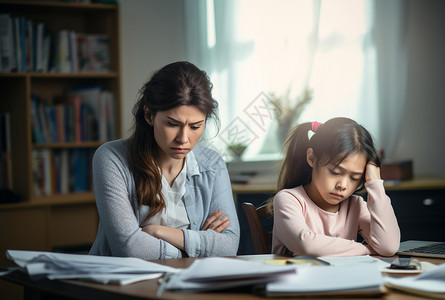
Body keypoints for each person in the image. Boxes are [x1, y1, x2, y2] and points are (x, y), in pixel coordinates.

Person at [89, 61, 240, 259]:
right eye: (172, 124)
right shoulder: (111, 159)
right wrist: (194, 247)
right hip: (123, 284)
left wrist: (157, 232)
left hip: (188, 284)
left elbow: (228, 247)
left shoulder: (212, 164)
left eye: (195, 126)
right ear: (149, 115)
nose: (183, 139)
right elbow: (129, 249)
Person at [271, 117, 400, 257]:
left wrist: (375, 183)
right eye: (335, 172)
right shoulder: (289, 199)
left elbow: (388, 247)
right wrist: (367, 250)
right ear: (312, 158)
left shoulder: (355, 206)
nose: (343, 185)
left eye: (354, 178)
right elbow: (305, 245)